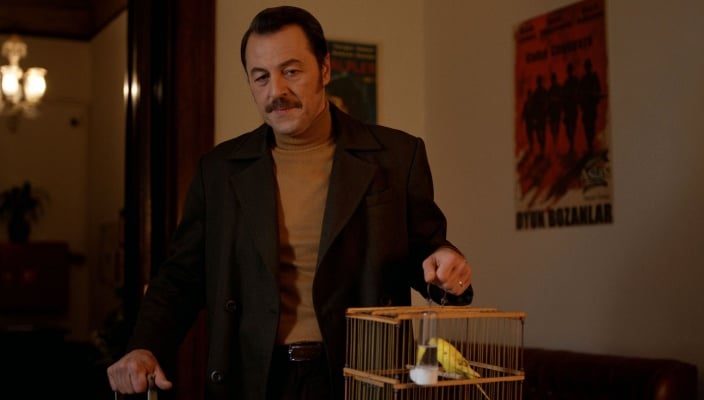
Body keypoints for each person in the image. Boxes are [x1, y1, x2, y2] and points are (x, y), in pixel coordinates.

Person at [106, 6, 474, 400]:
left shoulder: (398, 155)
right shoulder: (219, 171)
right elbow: (181, 277)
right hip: (254, 377)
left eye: (291, 71)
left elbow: (428, 254)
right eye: (261, 77)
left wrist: (446, 266)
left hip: (363, 373)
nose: (276, 91)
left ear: (325, 70)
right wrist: (143, 346)